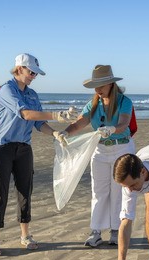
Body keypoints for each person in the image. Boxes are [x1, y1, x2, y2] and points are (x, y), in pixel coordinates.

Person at [0, 53, 78, 256]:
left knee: (25, 192)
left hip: (23, 148)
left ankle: (25, 236)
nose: (33, 76)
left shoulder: (32, 94)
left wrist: (54, 132)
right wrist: (57, 114)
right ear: (19, 69)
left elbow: (37, 123)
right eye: (31, 72)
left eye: (35, 73)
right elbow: (25, 114)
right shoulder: (6, 90)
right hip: (1, 147)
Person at [55, 65, 135, 247]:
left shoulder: (124, 101)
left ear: (111, 84)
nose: (97, 89)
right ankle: (96, 231)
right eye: (95, 86)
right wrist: (66, 132)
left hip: (121, 148)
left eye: (101, 85)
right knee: (98, 191)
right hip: (99, 150)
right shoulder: (93, 104)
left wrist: (113, 129)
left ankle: (116, 230)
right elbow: (79, 123)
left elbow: (124, 123)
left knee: (118, 191)